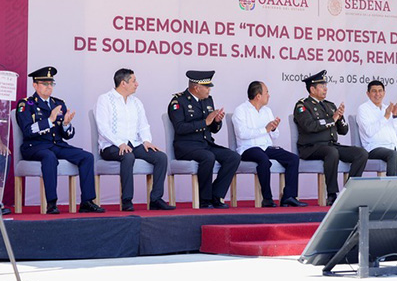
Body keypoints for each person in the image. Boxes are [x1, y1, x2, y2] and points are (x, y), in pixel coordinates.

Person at [15, 66, 105, 214]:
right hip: (35, 146)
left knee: (87, 157)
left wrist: (66, 124)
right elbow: (27, 130)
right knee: (49, 157)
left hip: (56, 145)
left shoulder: (59, 103)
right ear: (35, 85)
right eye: (45, 84)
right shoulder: (26, 104)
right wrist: (49, 120)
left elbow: (67, 135)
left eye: (51, 83)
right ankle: (51, 203)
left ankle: (87, 202)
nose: (49, 87)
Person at [95, 69, 175, 211]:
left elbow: (143, 125)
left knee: (161, 157)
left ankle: (155, 199)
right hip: (111, 145)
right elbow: (103, 128)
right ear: (123, 83)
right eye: (133, 81)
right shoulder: (105, 99)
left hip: (134, 143)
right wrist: (120, 143)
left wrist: (146, 141)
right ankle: (127, 200)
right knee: (127, 156)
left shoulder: (136, 102)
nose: (137, 84)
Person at [167, 70, 240, 209]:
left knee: (233, 157)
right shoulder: (178, 101)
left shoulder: (208, 100)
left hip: (205, 143)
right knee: (208, 157)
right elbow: (180, 128)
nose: (209, 90)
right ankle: (204, 200)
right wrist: (205, 122)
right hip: (186, 146)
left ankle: (216, 195)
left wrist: (216, 121)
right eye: (207, 87)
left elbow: (213, 129)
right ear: (196, 88)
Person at [293, 70, 367, 206]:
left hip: (331, 145)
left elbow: (343, 130)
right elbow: (309, 126)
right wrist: (332, 119)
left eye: (325, 85)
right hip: (311, 147)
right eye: (322, 86)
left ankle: (348, 192)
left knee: (361, 153)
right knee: (331, 152)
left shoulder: (330, 105)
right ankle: (332, 194)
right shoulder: (302, 105)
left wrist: (339, 117)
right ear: (312, 89)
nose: (325, 88)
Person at [232, 81, 307, 207]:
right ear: (258, 96)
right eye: (266, 92)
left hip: (266, 147)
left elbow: (275, 135)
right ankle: (267, 198)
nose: (269, 95)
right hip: (248, 149)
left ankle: (289, 196)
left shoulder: (267, 111)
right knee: (264, 159)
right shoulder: (240, 110)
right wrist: (265, 130)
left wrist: (272, 128)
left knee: (293, 159)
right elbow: (242, 134)